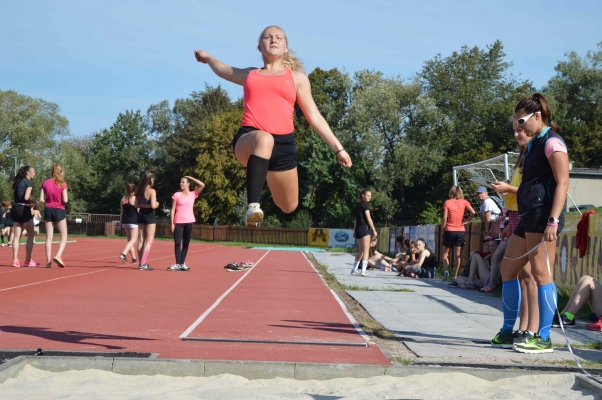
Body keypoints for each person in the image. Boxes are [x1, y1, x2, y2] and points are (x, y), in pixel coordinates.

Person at [194, 26, 352, 228]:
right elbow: (223, 69)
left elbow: (314, 117)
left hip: (284, 146)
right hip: (250, 139)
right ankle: (253, 207)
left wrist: (339, 148)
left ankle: (262, 169)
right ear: (259, 46)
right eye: (268, 37)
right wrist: (207, 57)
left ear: (286, 47)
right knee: (264, 139)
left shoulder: (297, 78)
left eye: (279, 37)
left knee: (289, 206)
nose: (273, 40)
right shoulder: (251, 75)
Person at [491, 93, 569, 354]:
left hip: (542, 215)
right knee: (508, 269)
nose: (518, 128)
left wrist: (553, 220)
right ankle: (507, 330)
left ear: (537, 116)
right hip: (526, 216)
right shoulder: (534, 144)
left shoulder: (552, 143)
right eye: (515, 123)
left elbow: (563, 183)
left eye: (521, 121)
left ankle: (544, 336)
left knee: (540, 274)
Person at [169, 176, 205, 271]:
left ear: (188, 184)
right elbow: (172, 210)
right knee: (177, 242)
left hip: (189, 221)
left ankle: (182, 263)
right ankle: (178, 263)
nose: (181, 184)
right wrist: (172, 223)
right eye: (180, 182)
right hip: (178, 222)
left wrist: (190, 178)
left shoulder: (193, 194)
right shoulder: (176, 195)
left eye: (183, 182)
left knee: (186, 243)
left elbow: (202, 185)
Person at [441, 186, 475, 281]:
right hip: (460, 230)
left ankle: (446, 271)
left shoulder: (447, 202)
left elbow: (444, 218)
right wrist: (468, 220)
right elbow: (473, 212)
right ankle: (455, 276)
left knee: (445, 253)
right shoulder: (464, 202)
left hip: (449, 229)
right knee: (458, 254)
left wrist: (443, 230)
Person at [40, 165, 69, 268]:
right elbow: (65, 200)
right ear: (60, 172)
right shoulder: (62, 184)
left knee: (49, 237)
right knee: (64, 234)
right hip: (59, 209)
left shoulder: (45, 183)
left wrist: (48, 202)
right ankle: (58, 255)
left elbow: (41, 199)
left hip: (48, 209)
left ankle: (48, 261)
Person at [10, 166, 38, 267]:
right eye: (33, 172)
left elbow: (21, 196)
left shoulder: (18, 182)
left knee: (17, 236)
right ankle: (28, 260)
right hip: (24, 208)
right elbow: (26, 197)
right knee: (31, 235)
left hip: (15, 208)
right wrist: (33, 200)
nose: (34, 174)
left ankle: (15, 260)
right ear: (28, 173)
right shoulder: (29, 182)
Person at [135, 171, 159, 271]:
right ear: (150, 179)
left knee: (141, 240)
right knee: (149, 240)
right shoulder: (152, 191)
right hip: (149, 215)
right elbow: (153, 205)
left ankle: (141, 262)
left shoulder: (139, 191)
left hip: (141, 215)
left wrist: (143, 205)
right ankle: (143, 263)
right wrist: (157, 203)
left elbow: (136, 205)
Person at [350, 189, 377, 276]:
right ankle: (363, 270)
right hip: (364, 228)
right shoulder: (365, 205)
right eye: (368, 195)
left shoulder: (357, 205)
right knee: (365, 250)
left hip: (358, 229)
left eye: (370, 196)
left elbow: (355, 220)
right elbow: (368, 218)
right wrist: (373, 229)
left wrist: (355, 231)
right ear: (363, 195)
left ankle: (354, 269)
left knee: (360, 250)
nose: (370, 197)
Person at [118, 183, 139, 265]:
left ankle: (134, 258)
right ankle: (123, 254)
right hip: (133, 222)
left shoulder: (123, 199)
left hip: (125, 222)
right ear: (134, 190)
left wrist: (120, 222)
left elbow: (122, 212)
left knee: (130, 241)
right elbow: (138, 211)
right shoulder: (135, 199)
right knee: (133, 240)